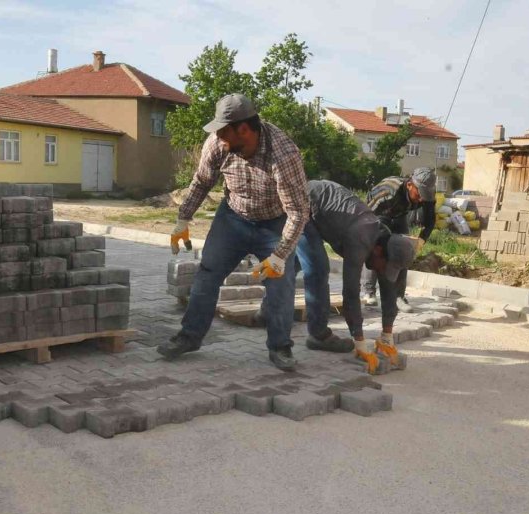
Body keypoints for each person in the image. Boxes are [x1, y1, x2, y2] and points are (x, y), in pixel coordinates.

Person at [157, 93, 310, 371]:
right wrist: (183, 219)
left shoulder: (283, 154)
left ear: (243, 129)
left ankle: (280, 347)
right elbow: (202, 182)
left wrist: (279, 255)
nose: (219, 139)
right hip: (233, 218)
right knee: (207, 273)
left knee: (281, 281)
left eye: (224, 132)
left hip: (274, 223)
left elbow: (299, 212)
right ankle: (189, 336)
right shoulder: (218, 144)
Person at [281, 180, 417, 374]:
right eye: (384, 267)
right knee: (318, 268)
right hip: (306, 205)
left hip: (328, 212)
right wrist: (359, 341)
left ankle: (267, 311)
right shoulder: (361, 239)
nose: (382, 271)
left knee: (292, 264)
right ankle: (318, 335)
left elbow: (389, 289)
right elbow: (351, 293)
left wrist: (387, 334)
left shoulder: (387, 243)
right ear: (378, 251)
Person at [361, 166, 437, 312]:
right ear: (409, 185)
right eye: (419, 194)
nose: (422, 199)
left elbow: (430, 220)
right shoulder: (388, 191)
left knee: (404, 250)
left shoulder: (428, 194)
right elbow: (366, 215)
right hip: (378, 213)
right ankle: (369, 291)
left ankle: (398, 297)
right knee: (375, 248)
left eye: (425, 196)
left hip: (399, 214)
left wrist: (422, 239)